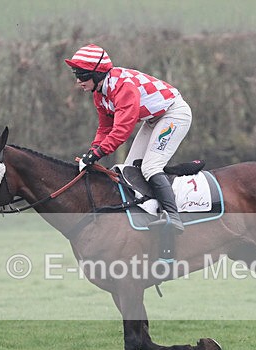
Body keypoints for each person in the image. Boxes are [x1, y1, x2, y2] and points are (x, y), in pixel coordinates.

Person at [65, 44, 192, 233]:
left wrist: (98, 153)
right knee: (129, 170)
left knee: (150, 167)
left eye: (82, 75)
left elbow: (121, 131)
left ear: (98, 73)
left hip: (174, 114)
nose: (78, 81)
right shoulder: (100, 94)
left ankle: (173, 217)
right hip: (154, 119)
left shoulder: (123, 88)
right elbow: (105, 127)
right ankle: (144, 215)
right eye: (76, 74)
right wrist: (93, 150)